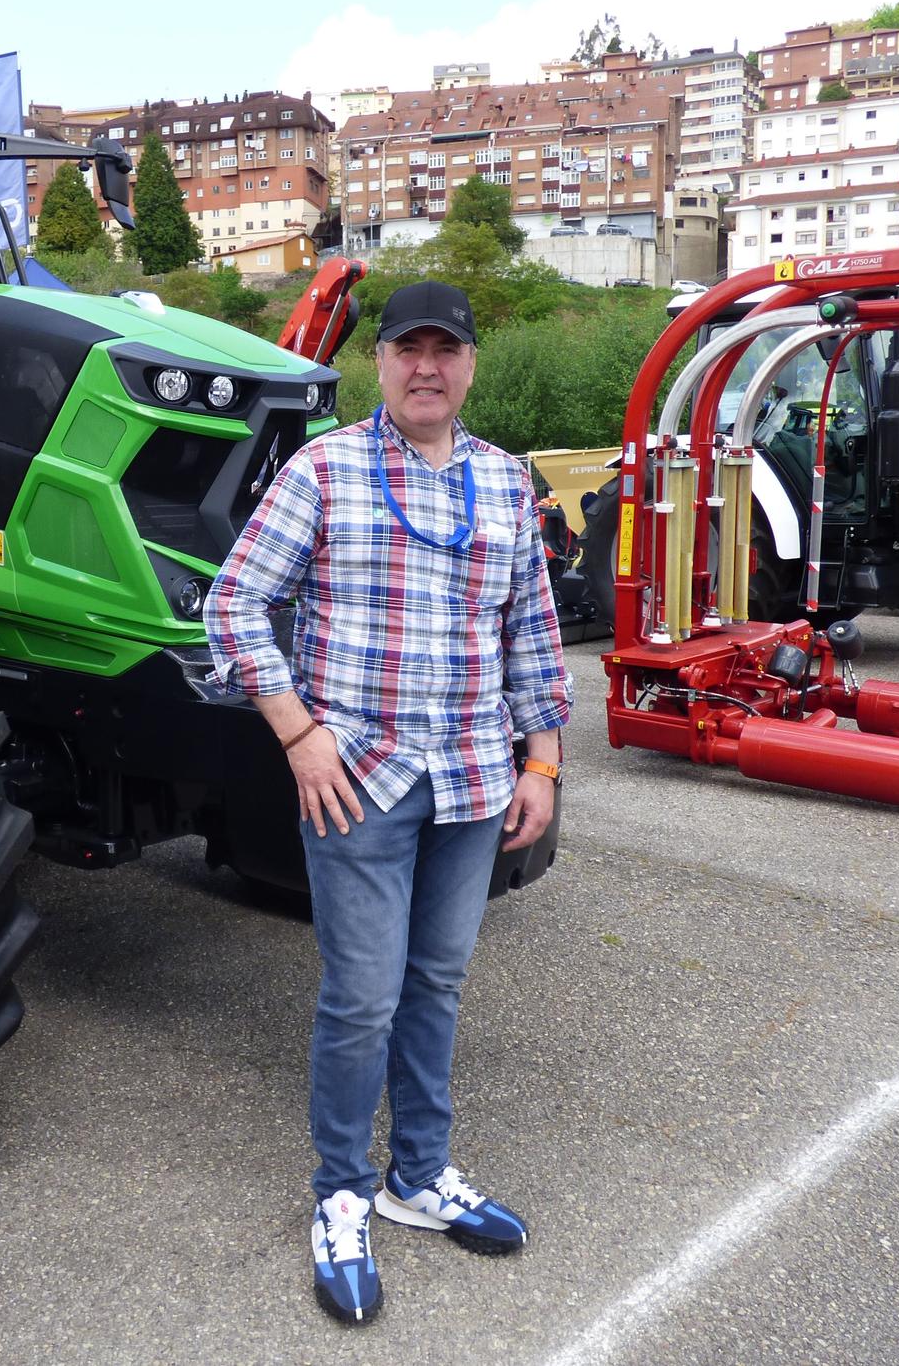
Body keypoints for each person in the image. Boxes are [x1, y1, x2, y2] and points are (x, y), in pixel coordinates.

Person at [204, 280, 572, 1326]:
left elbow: (531, 635)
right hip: (356, 781)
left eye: (443, 350)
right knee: (360, 995)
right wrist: (296, 733)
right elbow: (233, 603)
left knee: (437, 983)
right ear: (377, 364)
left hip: (470, 782)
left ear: (468, 363)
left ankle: (418, 1173)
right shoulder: (321, 470)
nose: (425, 367)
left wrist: (539, 764)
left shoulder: (506, 483)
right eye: (405, 349)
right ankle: (340, 1191)